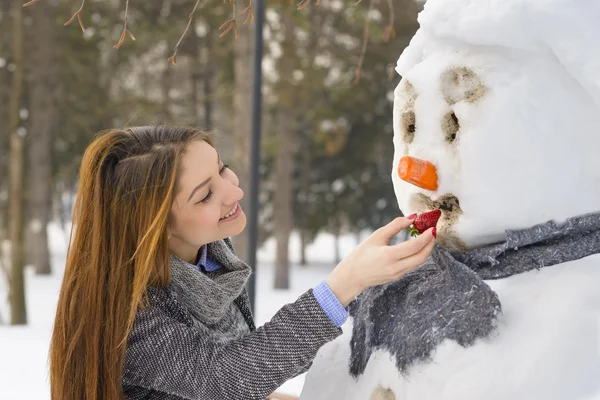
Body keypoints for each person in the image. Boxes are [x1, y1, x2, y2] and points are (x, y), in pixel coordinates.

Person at [48, 125, 436, 400]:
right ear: (157, 227)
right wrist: (344, 283)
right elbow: (228, 377)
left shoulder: (211, 258)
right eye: (205, 195)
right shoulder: (130, 318)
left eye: (220, 168)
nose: (234, 189)